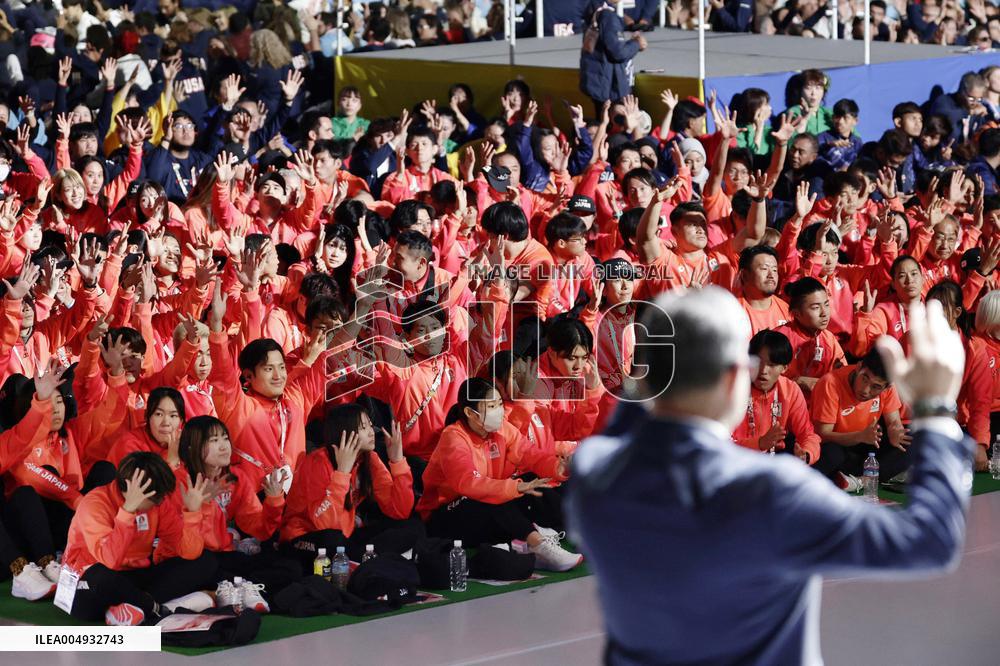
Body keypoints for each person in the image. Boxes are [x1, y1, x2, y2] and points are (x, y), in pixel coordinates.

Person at [569, 287, 972, 664]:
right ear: (735, 377)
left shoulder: (595, 473)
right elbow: (930, 540)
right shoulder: (772, 491)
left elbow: (629, 417)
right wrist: (936, 410)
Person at [579, 0, 647, 111]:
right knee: (615, 119)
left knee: (602, 116)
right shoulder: (608, 17)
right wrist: (636, 44)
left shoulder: (594, 10)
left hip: (598, 81)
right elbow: (618, 52)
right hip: (610, 87)